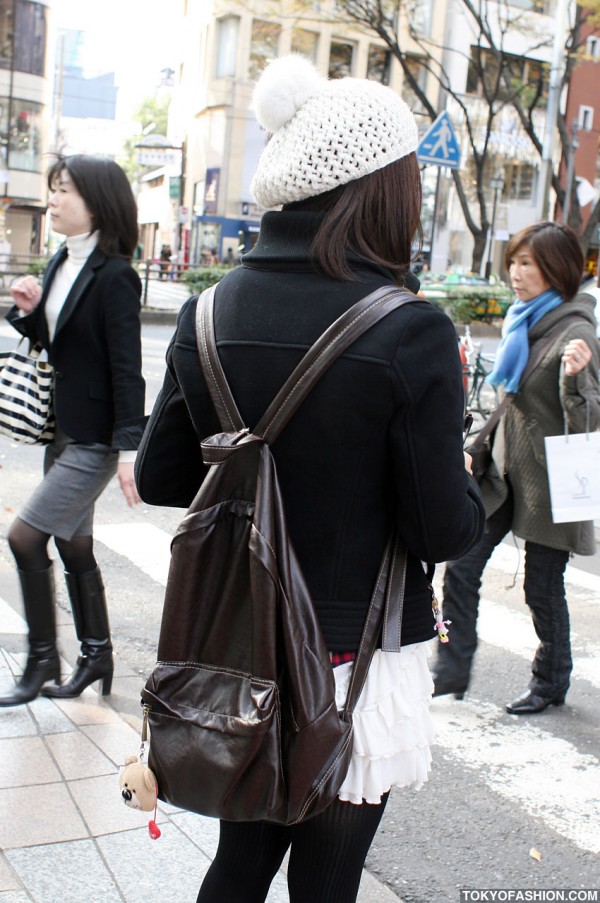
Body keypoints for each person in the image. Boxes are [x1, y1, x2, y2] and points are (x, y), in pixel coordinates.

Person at [135, 55, 485, 903]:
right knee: (328, 880)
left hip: (241, 648)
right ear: (380, 186)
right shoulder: (412, 332)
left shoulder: (210, 309)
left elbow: (161, 475)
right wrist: (463, 465)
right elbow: (444, 529)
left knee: (241, 860)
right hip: (350, 664)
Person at [433, 221, 600, 714]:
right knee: (462, 567)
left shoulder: (577, 331)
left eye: (527, 263)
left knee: (541, 588)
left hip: (551, 485)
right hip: (504, 476)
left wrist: (573, 380)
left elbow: (588, 421)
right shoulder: (522, 321)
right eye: (514, 261)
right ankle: (452, 670)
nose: (515, 272)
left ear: (558, 270)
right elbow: (510, 400)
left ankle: (551, 681)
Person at [0, 154, 146, 707]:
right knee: (71, 541)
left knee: (24, 535)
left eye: (64, 190)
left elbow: (125, 370)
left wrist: (128, 449)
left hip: (93, 438)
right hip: (59, 430)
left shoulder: (116, 276)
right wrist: (29, 312)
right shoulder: (60, 258)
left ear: (97, 202)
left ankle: (40, 663)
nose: (53, 200)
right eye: (53, 189)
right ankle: (97, 655)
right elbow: (57, 345)